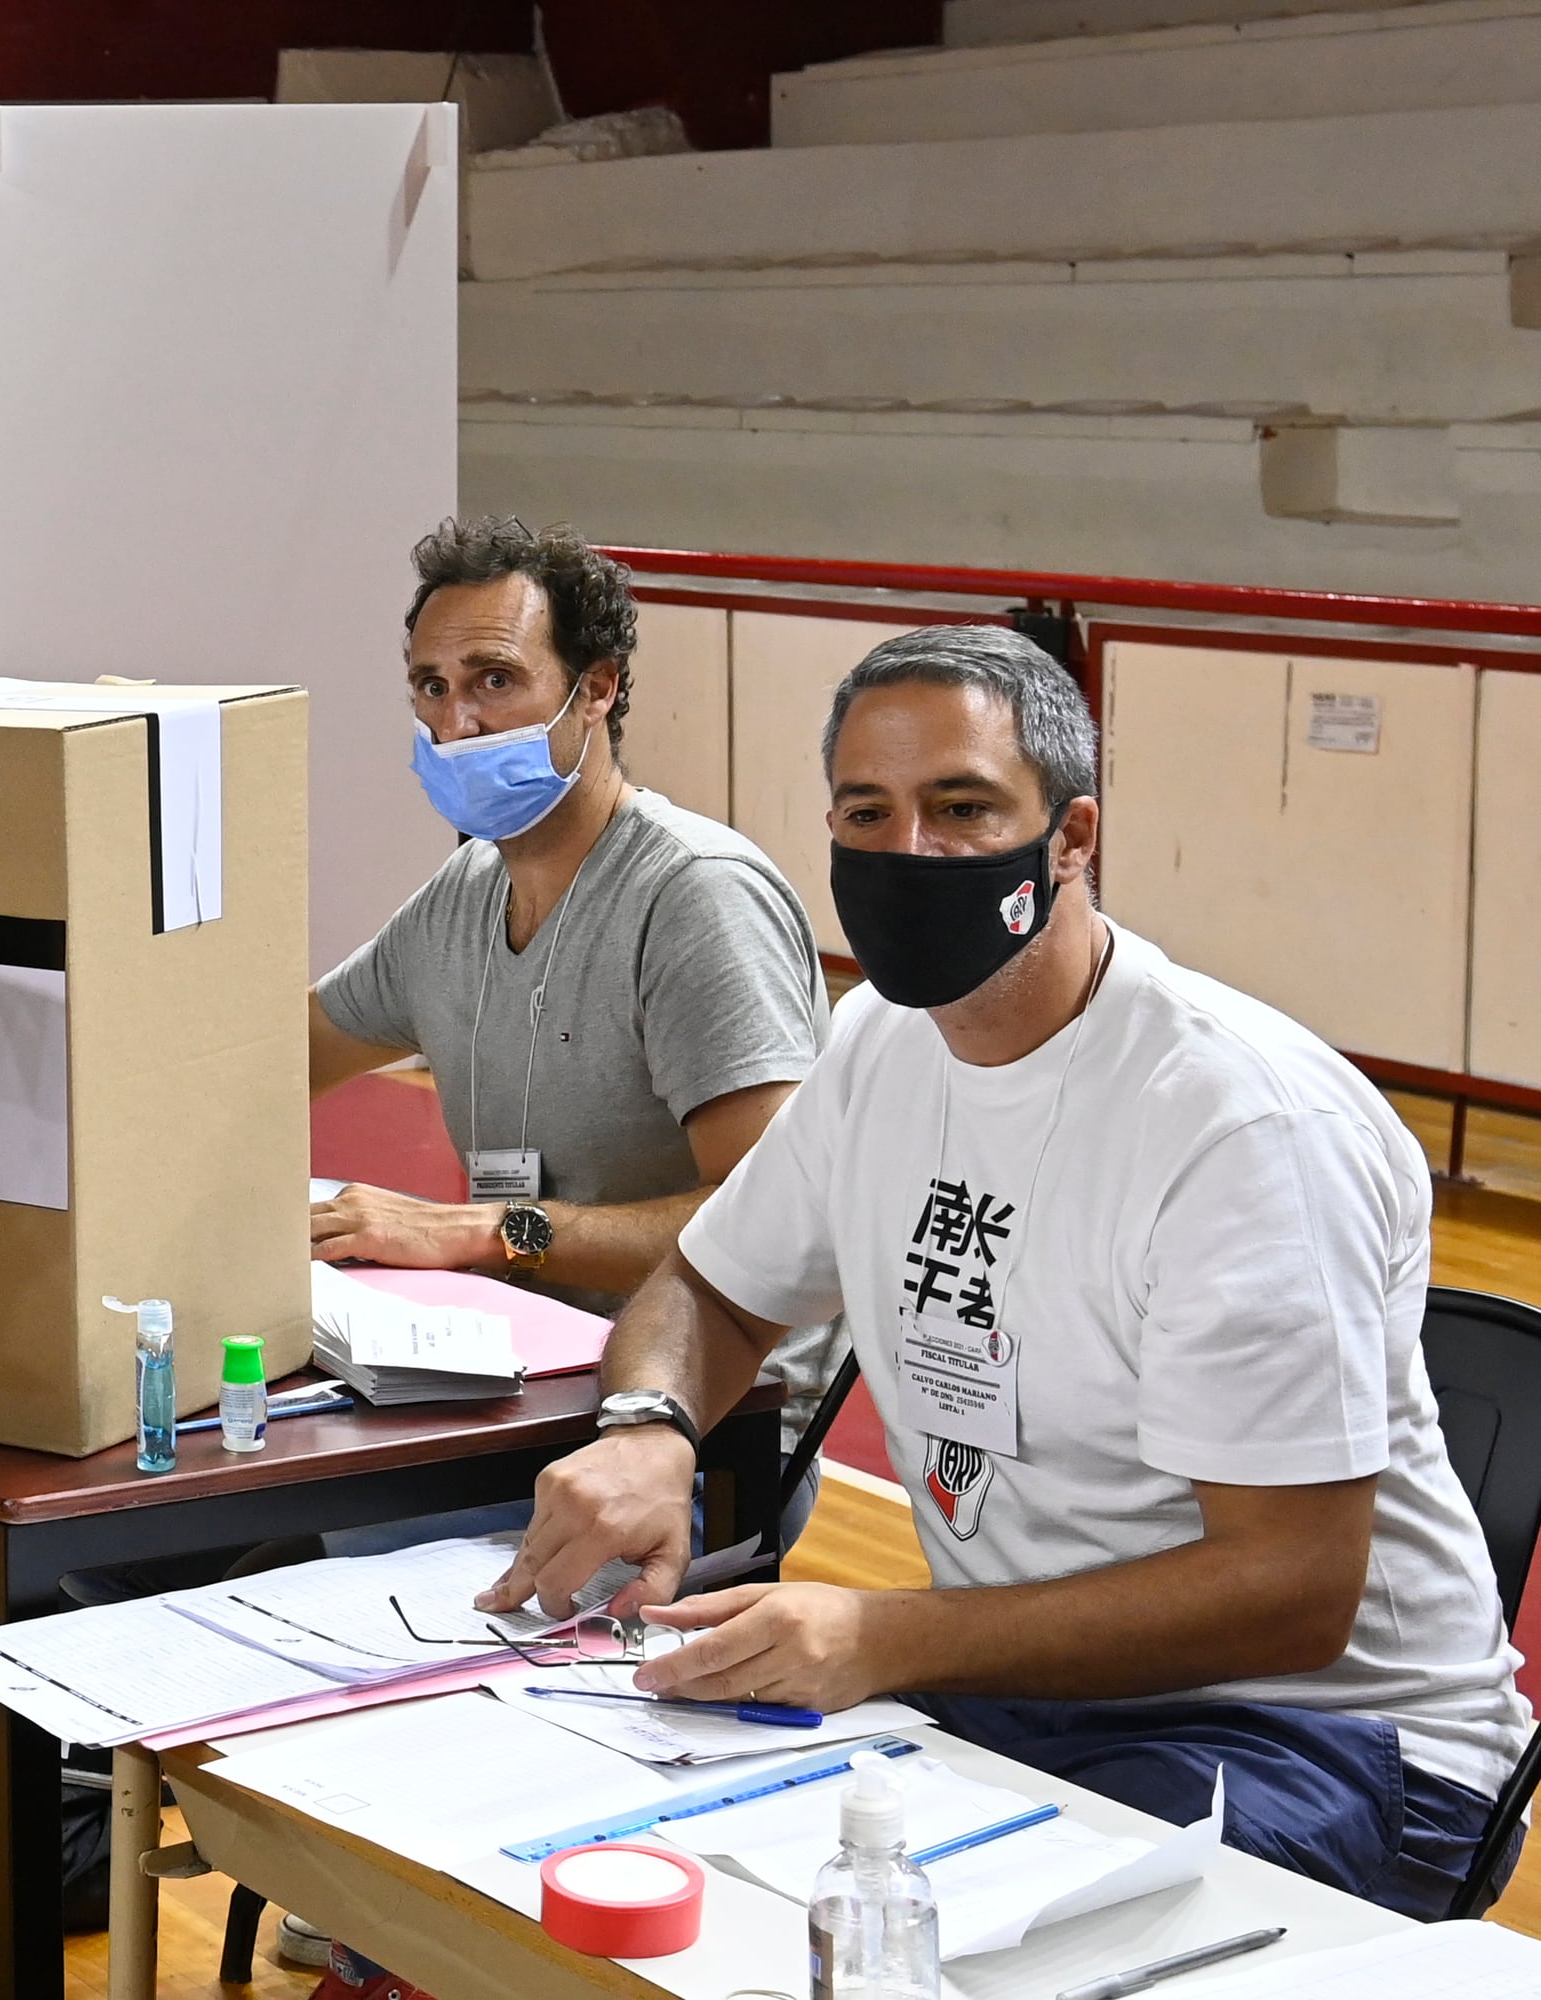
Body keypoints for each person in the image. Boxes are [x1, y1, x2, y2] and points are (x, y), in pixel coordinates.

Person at [485, 623, 1530, 1917]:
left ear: (1073, 837)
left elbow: (1292, 1595)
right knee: (635, 1852)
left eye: (962, 807)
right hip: (1020, 1691)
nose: (907, 852)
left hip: (1320, 1742)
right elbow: (710, 1291)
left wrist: (884, 1635)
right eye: (867, 812)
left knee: (954, 1944)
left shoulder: (1237, 1124)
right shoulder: (880, 1044)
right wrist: (650, 1429)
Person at [308, 516, 843, 1542]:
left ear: (595, 689)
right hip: (510, 1381)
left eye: (495, 679)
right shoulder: (463, 895)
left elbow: (775, 1218)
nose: (455, 720)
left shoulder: (695, 898)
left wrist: (488, 1231)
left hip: (693, 1430)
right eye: (431, 686)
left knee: (295, 1567)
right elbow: (269, 1061)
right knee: (170, 1551)